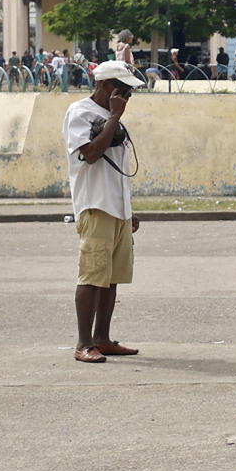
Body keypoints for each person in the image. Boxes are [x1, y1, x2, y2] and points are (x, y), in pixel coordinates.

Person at [65, 59, 144, 364]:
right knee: (92, 275)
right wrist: (114, 116)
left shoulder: (114, 116)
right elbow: (91, 154)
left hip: (118, 208)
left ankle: (103, 338)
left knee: (111, 278)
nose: (127, 97)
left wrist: (129, 209)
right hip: (96, 205)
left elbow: (120, 169)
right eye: (123, 90)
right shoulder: (80, 112)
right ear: (105, 86)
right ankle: (84, 342)